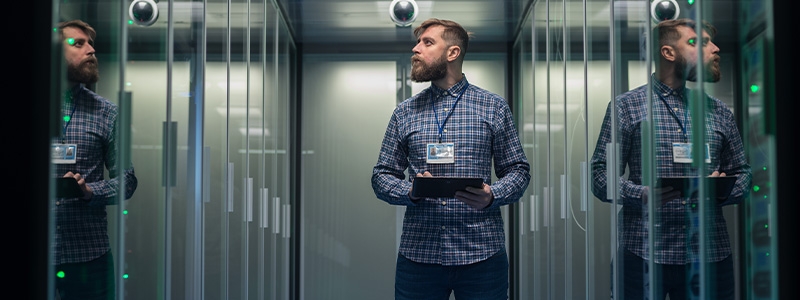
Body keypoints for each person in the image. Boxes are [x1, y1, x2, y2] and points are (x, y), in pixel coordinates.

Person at [590, 18, 751, 300]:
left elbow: (744, 173)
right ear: (668, 53)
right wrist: (642, 194)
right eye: (698, 42)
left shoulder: (720, 112)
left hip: (709, 254)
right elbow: (600, 176)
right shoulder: (626, 107)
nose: (715, 48)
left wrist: (721, 190)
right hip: (643, 253)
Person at [371, 18, 530, 300]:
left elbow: (518, 171)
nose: (415, 48)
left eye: (427, 42)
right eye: (418, 42)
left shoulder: (493, 107)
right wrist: (411, 191)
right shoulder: (404, 113)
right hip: (419, 257)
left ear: (453, 53)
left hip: (482, 255)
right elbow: (381, 176)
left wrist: (492, 195)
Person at [53, 19, 138, 300]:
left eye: (91, 44)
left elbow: (127, 179)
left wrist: (90, 191)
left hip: (90, 256)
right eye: (79, 44)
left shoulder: (108, 113)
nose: (91, 50)